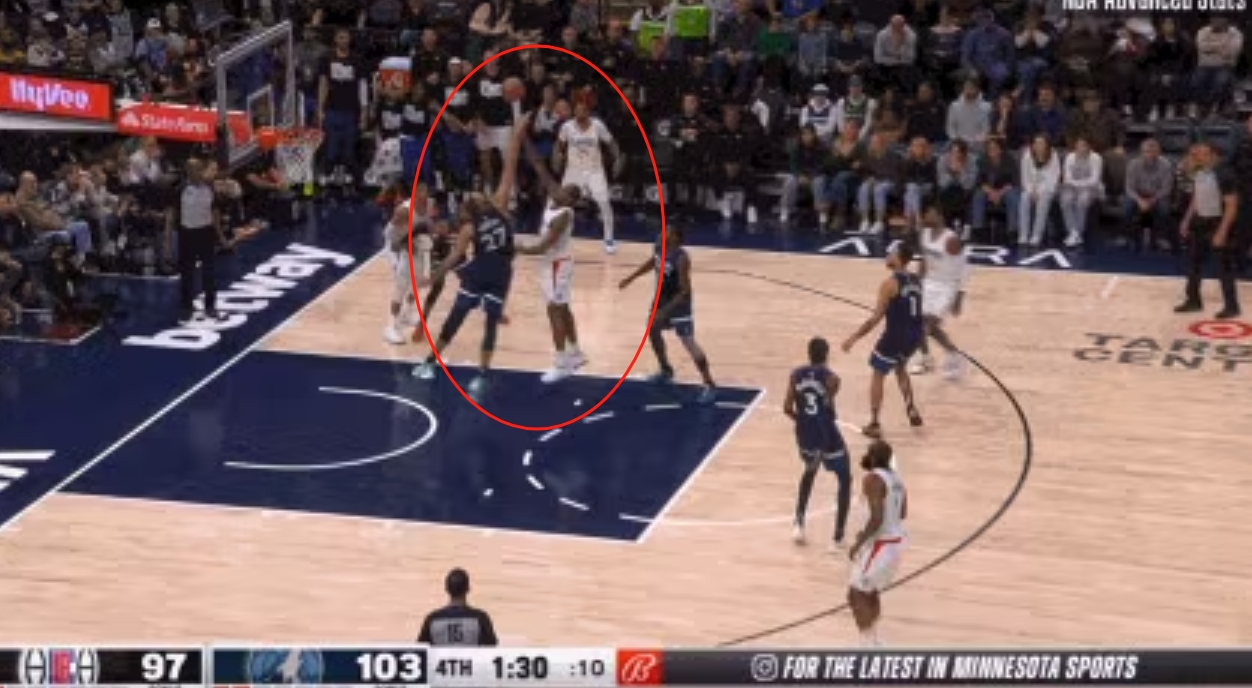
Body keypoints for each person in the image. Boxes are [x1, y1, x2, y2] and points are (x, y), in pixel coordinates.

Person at [412, 116, 529, 400]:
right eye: (476, 196)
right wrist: (433, 277)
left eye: (479, 195)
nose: (480, 195)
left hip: (499, 274)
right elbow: (454, 258)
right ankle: (430, 361)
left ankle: (482, 373)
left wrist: (516, 136)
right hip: (482, 274)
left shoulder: (499, 205)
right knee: (456, 317)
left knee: (490, 325)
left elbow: (509, 167)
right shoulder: (470, 227)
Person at [619, 225, 716, 403]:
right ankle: (665, 370)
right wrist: (631, 277)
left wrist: (665, 311)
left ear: (676, 238)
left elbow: (685, 291)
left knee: (689, 343)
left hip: (679, 303)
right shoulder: (658, 248)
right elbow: (653, 262)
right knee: (652, 330)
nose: (661, 234)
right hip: (661, 299)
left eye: (667, 232)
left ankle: (710, 384)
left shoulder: (681, 258)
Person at [516, 138, 587, 383]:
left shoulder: (564, 215)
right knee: (563, 308)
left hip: (557, 264)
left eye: (569, 192)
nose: (562, 191)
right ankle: (575, 353)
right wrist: (523, 137)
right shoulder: (555, 195)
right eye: (565, 188)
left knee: (554, 311)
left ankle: (560, 362)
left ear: (571, 201)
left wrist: (518, 248)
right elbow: (539, 165)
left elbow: (543, 246)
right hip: (553, 263)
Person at [841, 244, 924, 438]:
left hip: (896, 335)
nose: (887, 255)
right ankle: (911, 408)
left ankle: (875, 423)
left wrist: (853, 338)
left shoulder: (889, 284)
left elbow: (875, 319)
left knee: (878, 374)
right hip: (914, 335)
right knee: (900, 368)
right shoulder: (916, 280)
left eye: (891, 254)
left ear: (899, 259)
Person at [784, 336, 852, 548]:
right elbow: (829, 404)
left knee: (810, 472)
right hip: (826, 433)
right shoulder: (832, 378)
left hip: (805, 434)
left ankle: (798, 523)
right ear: (826, 355)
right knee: (845, 478)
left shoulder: (795, 375)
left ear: (809, 353)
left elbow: (787, 408)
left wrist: (802, 420)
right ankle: (838, 536)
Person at [847, 439, 907, 648]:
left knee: (856, 593)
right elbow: (902, 513)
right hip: (895, 542)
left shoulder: (873, 479)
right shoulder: (897, 480)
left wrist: (859, 542)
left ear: (872, 457)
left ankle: (867, 644)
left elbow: (877, 518)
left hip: (881, 544)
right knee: (870, 590)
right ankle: (873, 641)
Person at [1175, 141, 1241, 319]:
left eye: (1203, 154)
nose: (1198, 157)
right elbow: (1196, 197)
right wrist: (1187, 219)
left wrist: (1222, 231)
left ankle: (1232, 306)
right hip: (1199, 221)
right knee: (1193, 263)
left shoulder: (1225, 173)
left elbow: (1232, 205)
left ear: (1214, 155)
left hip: (1217, 222)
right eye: (1198, 153)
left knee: (1223, 267)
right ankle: (1193, 301)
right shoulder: (1199, 171)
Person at [554, 92, 623, 254]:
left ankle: (609, 239)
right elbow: (559, 146)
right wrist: (557, 157)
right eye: (576, 110)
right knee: (562, 204)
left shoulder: (597, 125)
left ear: (588, 111)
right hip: (573, 170)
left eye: (582, 110)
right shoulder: (567, 127)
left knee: (604, 203)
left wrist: (617, 158)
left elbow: (611, 143)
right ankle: (557, 237)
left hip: (594, 170)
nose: (579, 113)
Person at [910, 206, 968, 378]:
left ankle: (953, 356)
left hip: (947, 286)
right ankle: (927, 358)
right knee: (920, 325)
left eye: (930, 214)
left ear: (940, 216)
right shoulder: (924, 234)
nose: (926, 217)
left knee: (927, 326)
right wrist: (916, 283)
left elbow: (964, 270)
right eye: (925, 214)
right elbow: (924, 260)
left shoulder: (951, 240)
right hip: (928, 283)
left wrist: (959, 298)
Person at [383, 186, 433, 345]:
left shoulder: (429, 204)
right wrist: (406, 244)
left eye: (426, 196)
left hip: (412, 243)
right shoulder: (403, 211)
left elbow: (426, 227)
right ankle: (391, 327)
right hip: (396, 247)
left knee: (416, 283)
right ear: (414, 196)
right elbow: (390, 236)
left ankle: (408, 313)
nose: (424, 199)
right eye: (421, 197)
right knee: (400, 288)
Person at [176, 159, 222, 324]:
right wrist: (167, 239)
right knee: (187, 273)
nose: (195, 172)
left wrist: (221, 236)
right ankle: (186, 307)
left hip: (206, 233)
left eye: (198, 169)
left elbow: (215, 212)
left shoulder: (210, 187)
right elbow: (171, 212)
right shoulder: (180, 188)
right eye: (191, 169)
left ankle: (210, 306)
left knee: (209, 272)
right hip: (186, 234)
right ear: (187, 171)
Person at [417, 568, 499, 646]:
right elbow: (491, 648)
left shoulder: (432, 619)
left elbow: (420, 649)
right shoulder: (481, 618)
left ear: (447, 589)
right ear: (468, 589)